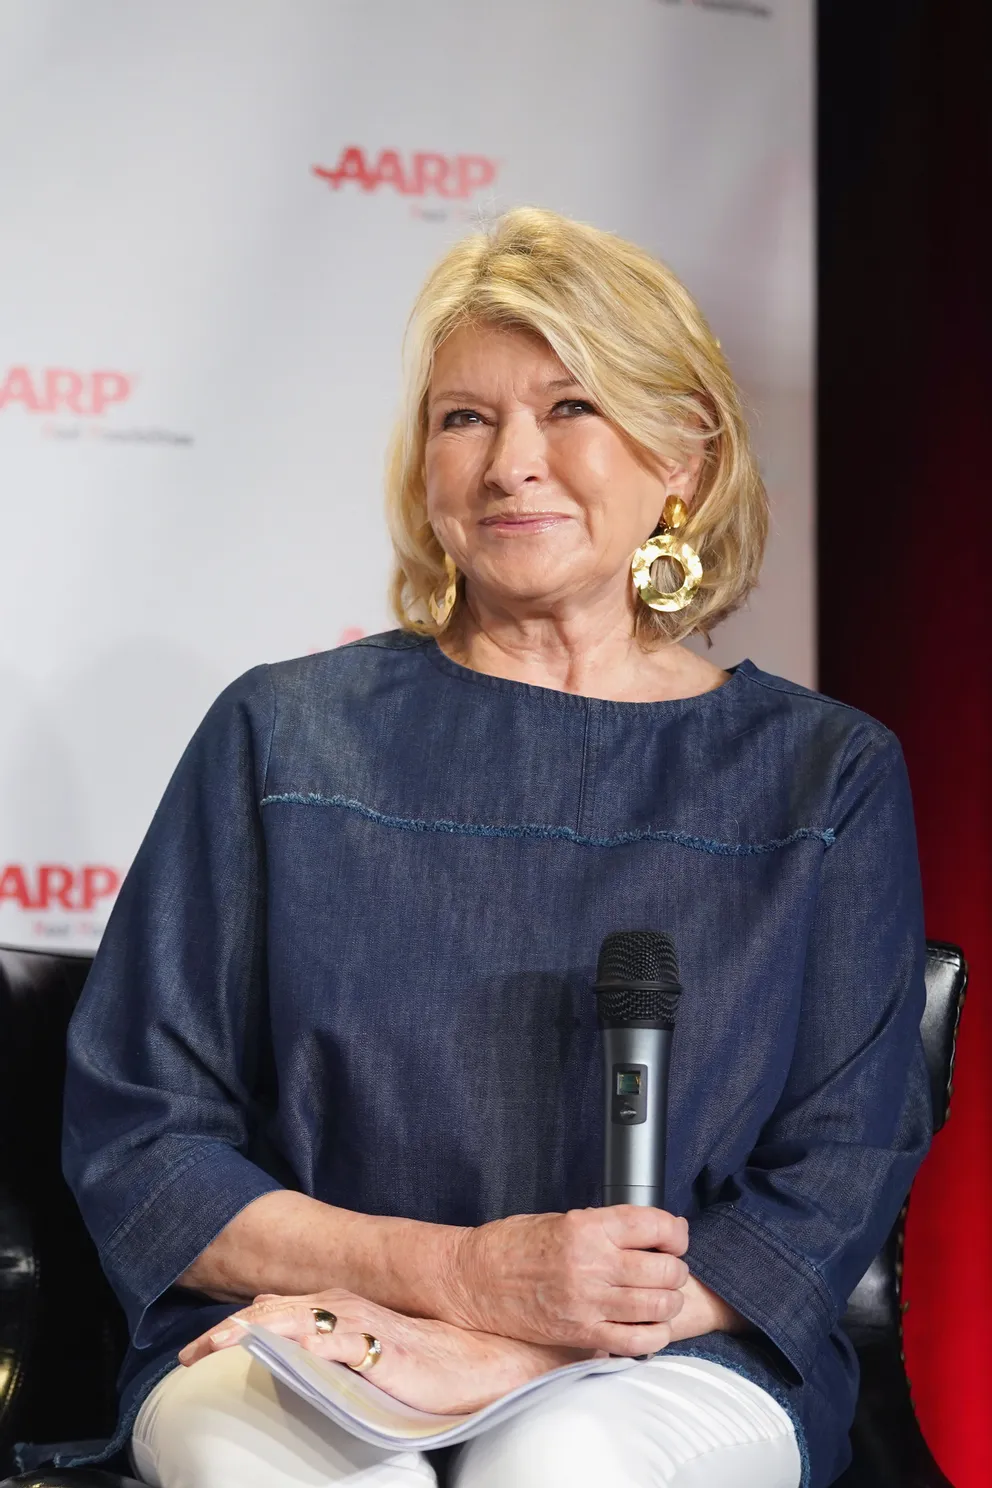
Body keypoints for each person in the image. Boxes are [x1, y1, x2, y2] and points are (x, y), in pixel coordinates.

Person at [59, 207, 930, 1488]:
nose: (510, 463)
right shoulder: (282, 737)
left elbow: (831, 1179)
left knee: (560, 1458)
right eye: (463, 418)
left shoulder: (822, 773)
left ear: (681, 451)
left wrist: (531, 1345)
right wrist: (454, 1278)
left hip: (669, 1359)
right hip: (305, 1331)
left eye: (569, 407)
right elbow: (147, 1141)